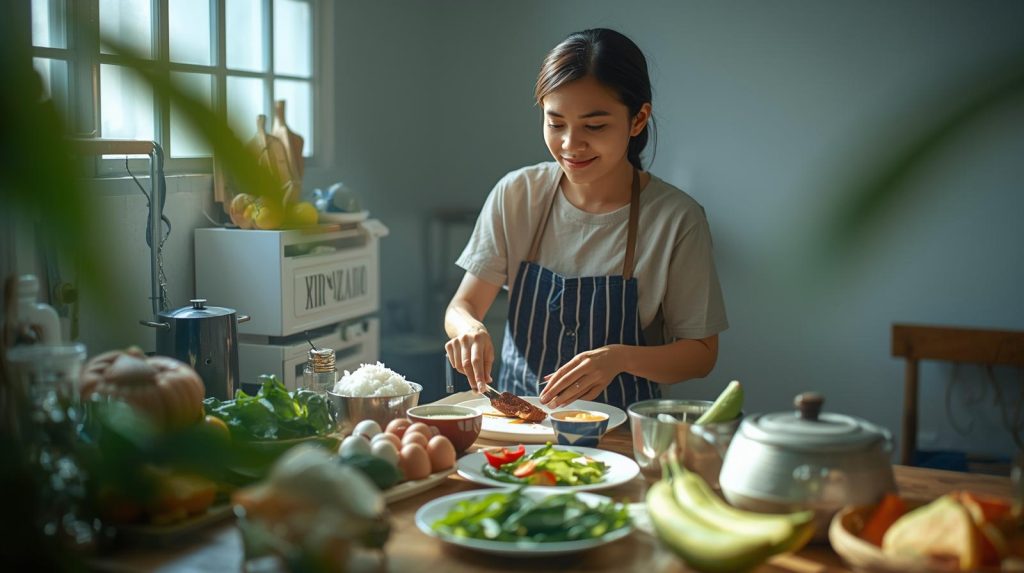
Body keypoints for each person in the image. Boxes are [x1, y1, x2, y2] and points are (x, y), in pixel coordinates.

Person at [444, 28, 728, 411]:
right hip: (518, 430)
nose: (570, 145)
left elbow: (701, 354)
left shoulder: (677, 219)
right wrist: (469, 329)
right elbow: (462, 305)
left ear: (638, 119)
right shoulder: (517, 194)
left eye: (594, 126)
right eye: (556, 123)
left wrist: (620, 358)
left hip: (620, 435)